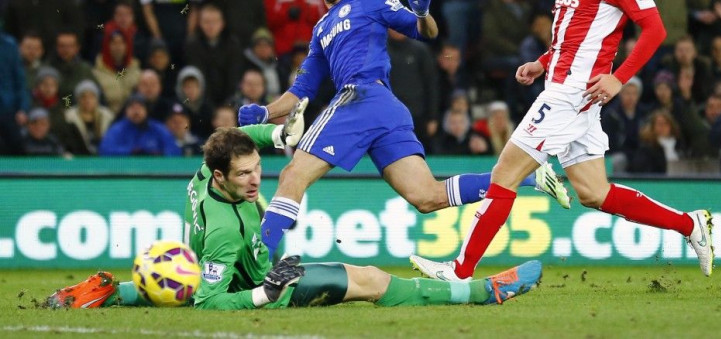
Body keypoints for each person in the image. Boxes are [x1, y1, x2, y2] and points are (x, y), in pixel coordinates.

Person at [410, 0, 715, 281]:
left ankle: (460, 270)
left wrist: (619, 78)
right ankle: (690, 225)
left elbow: (655, 30)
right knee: (594, 192)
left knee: (504, 175)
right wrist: (540, 62)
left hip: (571, 96)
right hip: (568, 91)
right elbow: (572, 39)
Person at [238, 0, 569, 260]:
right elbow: (302, 91)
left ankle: (257, 263)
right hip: (384, 110)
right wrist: (265, 112)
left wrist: (423, 12)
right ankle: (525, 176)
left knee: (291, 175)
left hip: (361, 96)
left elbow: (425, 32)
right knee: (427, 197)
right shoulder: (321, 29)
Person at [47, 103, 542, 310]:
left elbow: (240, 138)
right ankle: (482, 292)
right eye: (244, 175)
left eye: (256, 168)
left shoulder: (207, 171)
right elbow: (211, 301)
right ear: (222, 176)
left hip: (232, 266)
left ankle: (108, 293)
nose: (255, 178)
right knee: (370, 278)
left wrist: (279, 133)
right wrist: (266, 292)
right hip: (258, 282)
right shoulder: (224, 230)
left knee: (178, 278)